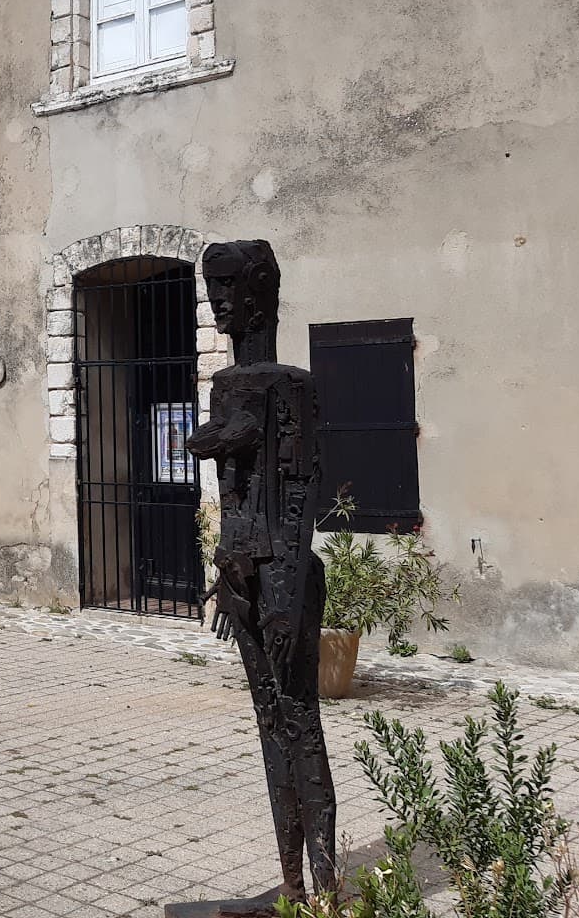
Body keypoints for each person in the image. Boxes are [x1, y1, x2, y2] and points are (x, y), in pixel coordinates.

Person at [184, 240, 337, 905]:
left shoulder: (291, 387)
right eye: (211, 286)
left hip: (284, 576)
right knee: (268, 724)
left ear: (262, 291)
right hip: (243, 577)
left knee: (299, 718)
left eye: (229, 285)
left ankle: (325, 886)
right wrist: (229, 566)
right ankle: (291, 885)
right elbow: (234, 494)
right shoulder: (226, 386)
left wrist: (285, 592)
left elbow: (299, 498)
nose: (218, 300)